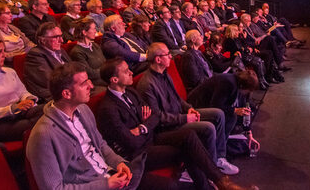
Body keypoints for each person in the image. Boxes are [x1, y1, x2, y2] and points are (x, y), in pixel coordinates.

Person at [98, 60, 258, 190]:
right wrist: (145, 125)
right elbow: (131, 143)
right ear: (114, 79)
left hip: (151, 137)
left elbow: (154, 115)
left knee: (189, 137)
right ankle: (219, 183)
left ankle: (222, 182)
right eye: (126, 71)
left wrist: (141, 127)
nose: (131, 72)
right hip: (139, 153)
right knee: (190, 146)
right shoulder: (107, 108)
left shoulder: (131, 92)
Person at [26, 62, 144, 190]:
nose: (91, 86)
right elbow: (54, 188)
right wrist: (105, 185)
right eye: (84, 84)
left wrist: (118, 162)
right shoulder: (43, 135)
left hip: (109, 175)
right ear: (67, 94)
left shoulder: (84, 110)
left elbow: (101, 145)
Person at [136, 42, 240, 175]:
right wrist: (185, 118)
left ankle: (220, 157)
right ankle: (212, 169)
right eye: (167, 54)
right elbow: (157, 117)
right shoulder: (146, 85)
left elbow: (177, 98)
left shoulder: (165, 74)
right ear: (158, 59)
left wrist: (189, 109)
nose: (170, 57)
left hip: (179, 115)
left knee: (218, 114)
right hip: (168, 127)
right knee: (208, 127)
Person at [188, 70, 259, 137]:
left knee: (233, 115)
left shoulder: (237, 83)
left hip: (208, 104)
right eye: (248, 91)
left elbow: (244, 107)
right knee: (232, 117)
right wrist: (235, 110)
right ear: (243, 86)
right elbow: (215, 106)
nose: (248, 93)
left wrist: (248, 131)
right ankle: (220, 145)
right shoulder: (228, 83)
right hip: (195, 105)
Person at [24, 22, 71, 102]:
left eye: (61, 36)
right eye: (56, 37)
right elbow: (51, 81)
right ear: (42, 40)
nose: (61, 40)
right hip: (54, 96)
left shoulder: (60, 50)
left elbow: (73, 68)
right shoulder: (35, 55)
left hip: (68, 89)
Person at [69, 17, 107, 90]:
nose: (95, 31)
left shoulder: (95, 45)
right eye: (93, 29)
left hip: (104, 77)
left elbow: (104, 62)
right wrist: (106, 70)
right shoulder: (77, 52)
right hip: (95, 82)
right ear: (84, 32)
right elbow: (89, 73)